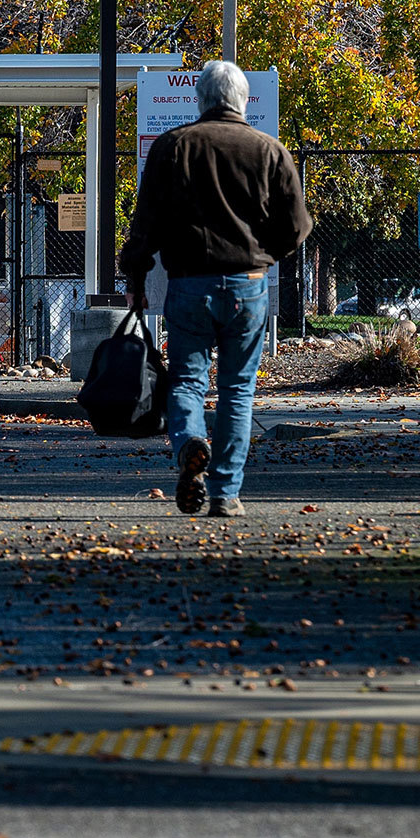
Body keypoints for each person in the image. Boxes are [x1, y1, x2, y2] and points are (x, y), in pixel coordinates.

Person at [117, 60, 311, 518]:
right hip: (248, 284)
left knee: (187, 380)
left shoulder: (172, 147)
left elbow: (146, 226)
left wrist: (136, 280)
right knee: (238, 390)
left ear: (200, 100)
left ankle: (188, 443)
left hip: (188, 284)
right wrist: (262, 255)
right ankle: (226, 493)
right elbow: (297, 227)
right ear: (244, 101)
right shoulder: (270, 151)